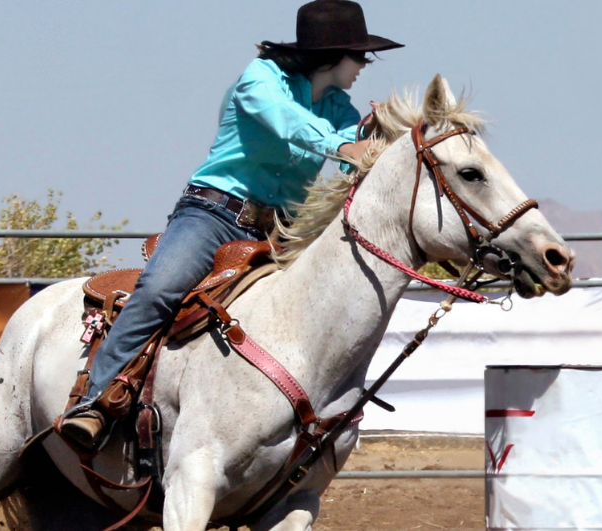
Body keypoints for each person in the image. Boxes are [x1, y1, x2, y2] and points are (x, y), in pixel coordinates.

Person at [59, 0, 403, 450]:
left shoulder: (342, 111)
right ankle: (93, 401)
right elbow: (289, 122)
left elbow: (346, 164)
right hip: (212, 214)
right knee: (160, 289)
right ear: (333, 55)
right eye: (359, 56)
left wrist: (375, 138)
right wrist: (345, 145)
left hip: (281, 230)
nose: (363, 65)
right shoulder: (260, 80)